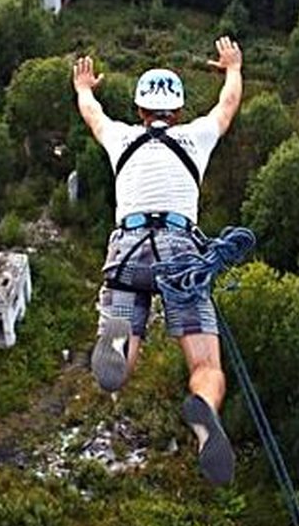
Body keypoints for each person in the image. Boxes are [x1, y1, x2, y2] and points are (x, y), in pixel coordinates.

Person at [72, 37, 243, 485]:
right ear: (180, 112)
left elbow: (91, 113)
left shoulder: (121, 137)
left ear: (140, 111)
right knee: (207, 367)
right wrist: (233, 68)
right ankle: (204, 415)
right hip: (180, 253)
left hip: (127, 249)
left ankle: (118, 347)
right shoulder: (196, 136)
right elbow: (226, 107)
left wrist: (85, 86)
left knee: (124, 351)